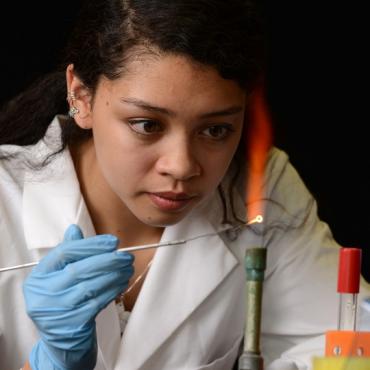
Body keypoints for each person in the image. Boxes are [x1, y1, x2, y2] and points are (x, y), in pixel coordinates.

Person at [0, 1, 369, 369]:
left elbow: (351, 343)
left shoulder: (258, 188)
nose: (181, 166)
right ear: (81, 97)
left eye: (215, 130)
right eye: (147, 124)